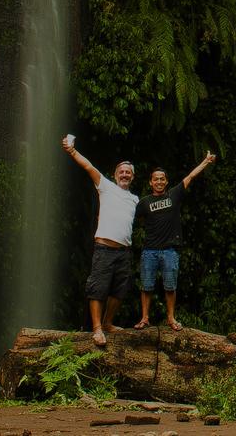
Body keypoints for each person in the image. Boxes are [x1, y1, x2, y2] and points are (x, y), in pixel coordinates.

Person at [62, 134, 138, 346]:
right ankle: (96, 329)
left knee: (119, 291)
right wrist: (72, 151)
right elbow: (88, 167)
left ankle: (107, 323)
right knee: (98, 288)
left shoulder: (135, 199)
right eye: (121, 172)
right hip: (104, 248)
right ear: (115, 175)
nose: (125, 174)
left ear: (132, 177)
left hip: (124, 251)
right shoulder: (105, 186)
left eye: (128, 173)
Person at [133, 150, 216, 331]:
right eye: (156, 179)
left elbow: (190, 177)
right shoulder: (144, 202)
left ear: (167, 181)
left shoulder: (174, 195)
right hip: (149, 250)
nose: (159, 181)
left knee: (170, 286)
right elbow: (132, 219)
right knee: (146, 286)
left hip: (170, 250)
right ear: (150, 182)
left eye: (162, 178)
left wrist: (206, 161)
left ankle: (171, 318)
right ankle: (145, 318)